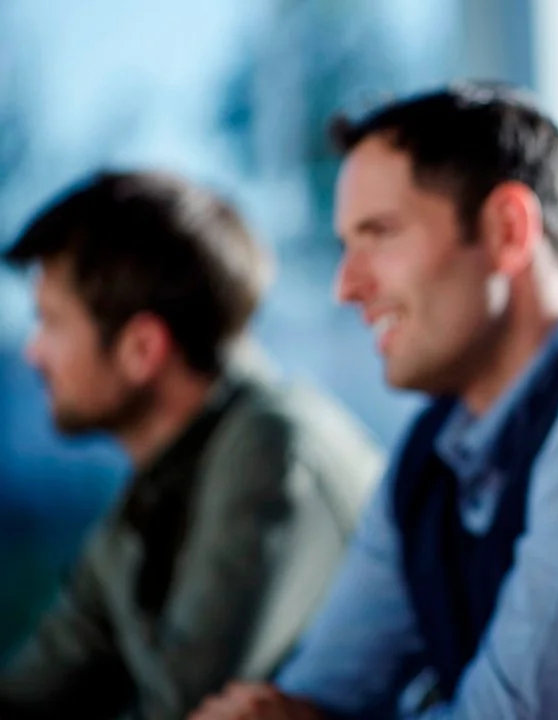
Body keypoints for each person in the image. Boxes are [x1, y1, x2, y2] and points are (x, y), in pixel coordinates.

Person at [190, 83, 558, 720]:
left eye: (378, 234)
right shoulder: (432, 447)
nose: (346, 286)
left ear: (506, 230)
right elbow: (320, 691)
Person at [0, 171, 386, 719]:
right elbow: (50, 675)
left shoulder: (271, 448)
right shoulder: (158, 484)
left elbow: (186, 707)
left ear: (142, 348)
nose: (33, 353)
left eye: (52, 322)